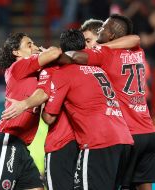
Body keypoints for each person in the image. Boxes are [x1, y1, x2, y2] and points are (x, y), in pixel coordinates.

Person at [62, 14, 155, 190]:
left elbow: (74, 57)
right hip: (149, 133)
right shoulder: (138, 51)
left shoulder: (106, 55)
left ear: (113, 35)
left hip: (128, 134)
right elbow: (135, 38)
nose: (101, 29)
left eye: (104, 28)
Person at [42, 29, 134, 190]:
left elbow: (49, 117)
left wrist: (42, 102)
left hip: (99, 142)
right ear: (84, 45)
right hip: (125, 140)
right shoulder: (99, 69)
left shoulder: (64, 73)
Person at [0, 32, 62, 190]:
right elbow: (55, 52)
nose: (34, 47)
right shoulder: (19, 66)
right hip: (9, 141)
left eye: (33, 43)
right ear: (16, 52)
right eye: (29, 44)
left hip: (22, 147)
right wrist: (43, 50)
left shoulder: (33, 74)